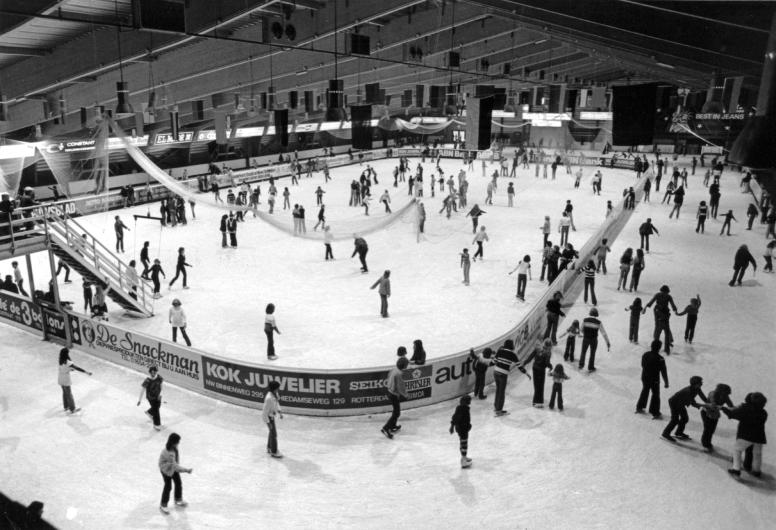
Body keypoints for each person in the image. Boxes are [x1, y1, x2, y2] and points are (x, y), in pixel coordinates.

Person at [722, 392, 768, 477]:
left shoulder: (746, 409)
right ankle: (756, 471)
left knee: (737, 450)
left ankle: (736, 469)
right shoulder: (764, 412)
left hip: (745, 435)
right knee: (757, 454)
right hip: (759, 437)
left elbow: (732, 414)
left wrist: (724, 409)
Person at [662, 375, 707, 442]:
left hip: (681, 403)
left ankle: (679, 432)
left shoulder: (697, 388)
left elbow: (702, 396)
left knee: (684, 418)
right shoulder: (688, 391)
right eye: (700, 382)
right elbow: (692, 403)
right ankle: (665, 433)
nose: (702, 383)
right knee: (675, 419)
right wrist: (706, 406)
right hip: (674, 402)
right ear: (695, 384)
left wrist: (708, 402)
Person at [158, 433, 192, 514]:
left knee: (178, 483)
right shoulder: (169, 453)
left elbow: (175, 464)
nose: (179, 443)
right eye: (178, 441)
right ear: (173, 442)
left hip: (172, 467)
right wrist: (186, 470)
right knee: (168, 486)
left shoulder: (173, 447)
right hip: (166, 470)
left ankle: (178, 499)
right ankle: (163, 504)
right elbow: (175, 466)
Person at [636, 340, 669, 419]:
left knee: (645, 390)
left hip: (645, 377)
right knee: (655, 394)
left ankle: (640, 407)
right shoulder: (660, 359)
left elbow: (642, 365)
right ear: (659, 348)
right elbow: (663, 372)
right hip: (654, 379)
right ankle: (655, 411)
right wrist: (666, 382)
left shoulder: (645, 354)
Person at [493, 339, 527, 416]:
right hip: (503, 374)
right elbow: (519, 366)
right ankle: (499, 410)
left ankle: (496, 407)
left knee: (498, 390)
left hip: (495, 372)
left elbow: (494, 362)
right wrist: (525, 372)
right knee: (501, 392)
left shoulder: (500, 351)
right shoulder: (513, 354)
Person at [644, 285, 677, 355]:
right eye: (664, 292)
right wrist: (647, 306)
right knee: (659, 326)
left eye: (666, 292)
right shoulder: (661, 295)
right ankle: (657, 342)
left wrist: (675, 309)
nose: (664, 294)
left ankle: (664, 344)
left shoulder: (667, 296)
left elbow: (672, 304)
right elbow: (651, 302)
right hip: (658, 311)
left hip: (663, 312)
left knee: (664, 326)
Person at [58, 347, 92, 414]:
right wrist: (86, 372)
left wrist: (70, 369)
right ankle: (72, 409)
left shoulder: (60, 359)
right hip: (65, 379)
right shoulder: (68, 362)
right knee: (69, 393)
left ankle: (66, 406)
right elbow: (77, 368)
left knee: (64, 392)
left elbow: (64, 368)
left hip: (60, 377)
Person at [700, 383, 733, 451]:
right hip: (706, 412)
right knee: (707, 429)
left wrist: (733, 409)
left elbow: (730, 405)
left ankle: (708, 443)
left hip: (715, 414)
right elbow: (713, 404)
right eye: (725, 393)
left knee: (712, 429)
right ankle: (705, 444)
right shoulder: (713, 394)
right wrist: (722, 408)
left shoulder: (725, 396)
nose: (726, 395)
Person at [381, 357, 409, 439]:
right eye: (407, 364)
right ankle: (386, 428)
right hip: (394, 394)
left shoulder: (394, 369)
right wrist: (405, 395)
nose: (407, 366)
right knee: (397, 413)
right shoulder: (399, 374)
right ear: (404, 365)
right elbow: (400, 387)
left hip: (390, 392)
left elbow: (388, 376)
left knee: (396, 412)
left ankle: (392, 426)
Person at [522, 338, 553, 408]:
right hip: (541, 370)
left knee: (536, 385)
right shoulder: (548, 353)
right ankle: (539, 402)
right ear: (550, 346)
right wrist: (551, 367)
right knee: (540, 385)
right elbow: (547, 363)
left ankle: (535, 402)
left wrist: (524, 363)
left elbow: (530, 357)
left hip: (535, 369)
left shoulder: (537, 348)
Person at [578, 307, 610, 372]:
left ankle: (581, 364)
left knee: (583, 351)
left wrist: (585, 334)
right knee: (592, 353)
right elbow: (604, 333)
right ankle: (590, 367)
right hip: (594, 340)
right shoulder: (598, 322)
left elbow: (581, 330)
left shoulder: (585, 320)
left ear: (590, 313)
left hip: (586, 339)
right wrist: (607, 342)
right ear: (596, 314)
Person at [449, 394, 473, 468]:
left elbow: (455, 417)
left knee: (463, 443)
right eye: (469, 401)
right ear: (464, 401)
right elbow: (455, 418)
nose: (470, 402)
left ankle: (464, 457)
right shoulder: (462, 409)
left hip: (463, 428)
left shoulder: (462, 408)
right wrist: (452, 426)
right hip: (462, 429)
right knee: (464, 444)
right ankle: (463, 461)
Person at [137, 366, 164, 431]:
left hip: (158, 396)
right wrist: (139, 400)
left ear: (156, 372)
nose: (153, 374)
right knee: (156, 410)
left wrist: (161, 394)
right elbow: (142, 390)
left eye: (154, 372)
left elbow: (161, 386)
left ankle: (149, 412)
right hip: (150, 398)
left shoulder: (159, 378)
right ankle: (157, 425)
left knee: (158, 407)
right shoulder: (147, 380)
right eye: (151, 372)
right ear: (150, 373)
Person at [263, 380, 284, 457]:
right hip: (269, 417)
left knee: (271, 433)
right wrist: (268, 423)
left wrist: (279, 411)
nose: (278, 389)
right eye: (278, 388)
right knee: (274, 434)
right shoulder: (269, 399)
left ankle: (269, 447)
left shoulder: (275, 394)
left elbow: (276, 403)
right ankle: (274, 451)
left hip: (272, 416)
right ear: (274, 388)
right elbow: (264, 413)